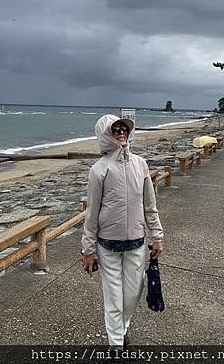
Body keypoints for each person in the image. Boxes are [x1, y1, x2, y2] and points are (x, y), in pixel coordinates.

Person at [81, 114, 164, 351]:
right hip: (107, 244)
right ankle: (116, 345)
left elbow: (150, 205)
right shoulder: (99, 170)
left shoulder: (141, 165)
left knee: (133, 293)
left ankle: (122, 327)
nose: (121, 132)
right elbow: (92, 213)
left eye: (123, 128)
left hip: (137, 242)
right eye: (115, 129)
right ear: (105, 134)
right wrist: (88, 249)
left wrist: (157, 236)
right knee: (114, 298)